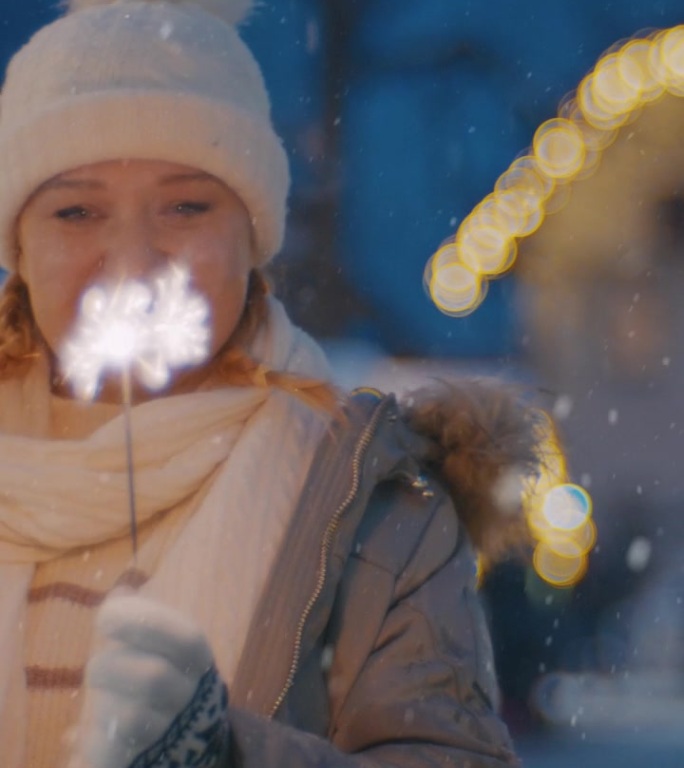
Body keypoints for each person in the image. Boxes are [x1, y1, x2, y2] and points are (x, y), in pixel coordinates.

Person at [0, 1, 544, 766]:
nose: (132, 257)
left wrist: (226, 751)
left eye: (187, 205)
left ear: (250, 235)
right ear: (19, 244)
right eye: (76, 210)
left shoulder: (370, 508)